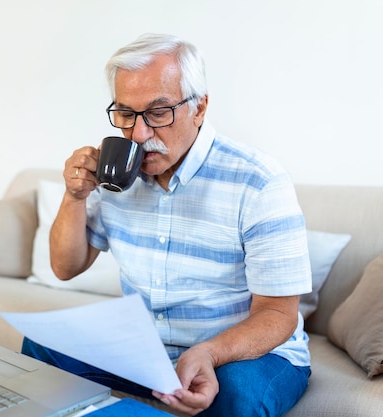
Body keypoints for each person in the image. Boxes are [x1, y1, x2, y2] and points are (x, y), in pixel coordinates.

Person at [21, 33, 312, 417]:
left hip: (241, 353)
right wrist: (75, 197)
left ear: (200, 108)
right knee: (42, 345)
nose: (139, 135)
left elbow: (278, 313)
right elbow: (65, 267)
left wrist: (208, 352)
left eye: (158, 113)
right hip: (148, 348)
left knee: (237, 397)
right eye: (126, 113)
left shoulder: (258, 181)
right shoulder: (115, 172)